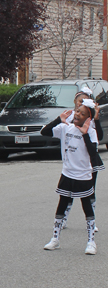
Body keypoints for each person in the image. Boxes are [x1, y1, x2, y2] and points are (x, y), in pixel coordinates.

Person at [42, 99, 99, 254]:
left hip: (84, 176)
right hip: (67, 174)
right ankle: (55, 239)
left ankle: (91, 242)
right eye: (77, 111)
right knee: (62, 204)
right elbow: (44, 132)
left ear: (88, 118)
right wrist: (57, 120)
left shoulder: (91, 132)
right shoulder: (66, 128)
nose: (77, 114)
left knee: (87, 207)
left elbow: (93, 154)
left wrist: (85, 134)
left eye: (82, 113)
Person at [61, 87, 104, 231]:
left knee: (89, 190)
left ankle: (92, 221)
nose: (82, 103)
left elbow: (100, 137)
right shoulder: (70, 117)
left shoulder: (89, 118)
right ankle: (64, 218)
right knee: (68, 192)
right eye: (80, 101)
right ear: (75, 102)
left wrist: (96, 120)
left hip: (89, 160)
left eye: (86, 101)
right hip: (73, 160)